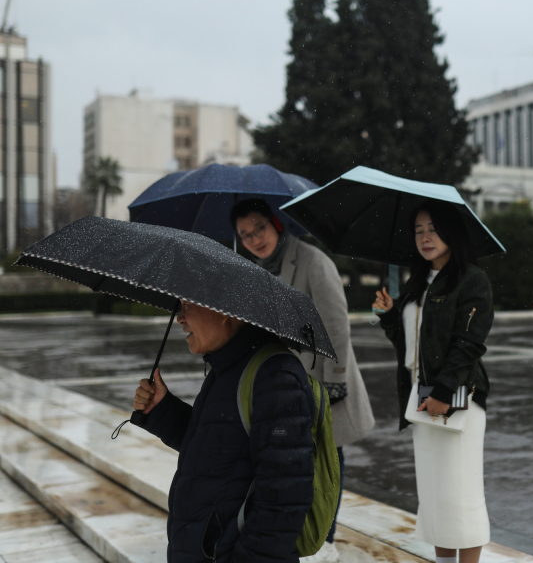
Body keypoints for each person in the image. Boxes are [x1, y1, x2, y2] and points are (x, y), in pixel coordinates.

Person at [230, 198, 375, 563]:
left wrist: (336, 380)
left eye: (259, 228)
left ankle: (325, 539)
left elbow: (336, 322)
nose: (254, 239)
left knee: (328, 460)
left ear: (275, 223)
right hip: (290, 384)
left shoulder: (312, 261)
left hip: (325, 382)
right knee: (299, 463)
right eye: (244, 235)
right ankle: (306, 534)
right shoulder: (258, 269)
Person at [133, 300, 315, 562]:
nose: (180, 318)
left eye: (188, 306)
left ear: (223, 312)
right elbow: (216, 450)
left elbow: (284, 498)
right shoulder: (227, 369)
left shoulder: (275, 377)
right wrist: (162, 410)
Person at [372, 200, 493, 563]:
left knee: (462, 495)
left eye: (433, 228)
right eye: (419, 230)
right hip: (421, 401)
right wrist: (391, 317)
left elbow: (468, 343)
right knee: (436, 495)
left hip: (457, 401)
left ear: (451, 232)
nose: (425, 237)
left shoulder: (472, 280)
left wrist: (442, 392)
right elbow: (411, 348)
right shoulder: (418, 283)